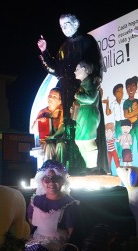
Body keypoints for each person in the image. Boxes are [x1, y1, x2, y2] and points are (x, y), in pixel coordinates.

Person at [37, 13, 108, 174]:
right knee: (73, 132)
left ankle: (92, 167)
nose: (64, 28)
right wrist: (45, 52)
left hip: (84, 91)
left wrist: (90, 81)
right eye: (61, 26)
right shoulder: (63, 47)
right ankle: (76, 167)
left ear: (76, 24)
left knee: (87, 132)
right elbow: (56, 69)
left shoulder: (87, 40)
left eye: (67, 24)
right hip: (70, 95)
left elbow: (96, 64)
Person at [24, 160, 79, 251]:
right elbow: (30, 219)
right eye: (47, 179)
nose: (51, 182)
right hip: (36, 238)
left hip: (56, 243)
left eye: (56, 179)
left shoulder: (69, 203)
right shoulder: (36, 200)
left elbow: (70, 231)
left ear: (63, 181)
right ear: (41, 181)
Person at [73, 60, 104, 174]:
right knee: (80, 141)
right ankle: (89, 166)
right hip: (84, 114)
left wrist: (77, 95)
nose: (75, 71)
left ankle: (92, 167)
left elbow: (90, 98)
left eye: (77, 68)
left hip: (89, 114)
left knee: (87, 140)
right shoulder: (84, 83)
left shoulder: (90, 82)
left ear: (84, 70)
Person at [31, 87, 66, 163]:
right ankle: (49, 169)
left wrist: (54, 136)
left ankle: (60, 169)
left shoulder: (62, 110)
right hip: (46, 141)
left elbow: (62, 126)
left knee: (61, 145)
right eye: (49, 95)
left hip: (58, 138)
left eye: (54, 97)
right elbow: (33, 130)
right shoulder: (43, 112)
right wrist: (39, 121)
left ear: (60, 100)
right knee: (49, 146)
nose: (50, 98)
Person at [123, 76, 138, 160]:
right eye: (128, 88)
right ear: (126, 89)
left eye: (133, 87)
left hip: (137, 123)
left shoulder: (137, 101)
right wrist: (136, 111)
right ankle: (130, 154)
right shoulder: (126, 102)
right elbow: (126, 115)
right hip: (130, 125)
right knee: (131, 140)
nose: (131, 89)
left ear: (136, 88)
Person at [102, 83, 126, 160]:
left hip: (125, 122)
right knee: (118, 139)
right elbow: (108, 113)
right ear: (115, 94)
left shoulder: (125, 102)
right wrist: (107, 103)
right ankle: (120, 156)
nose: (121, 93)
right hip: (118, 123)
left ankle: (128, 154)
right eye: (119, 91)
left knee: (126, 138)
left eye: (122, 90)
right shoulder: (113, 104)